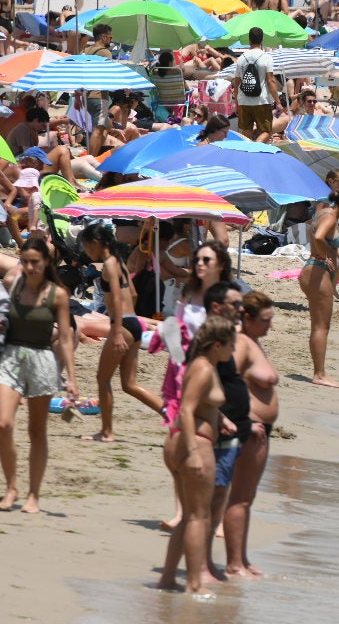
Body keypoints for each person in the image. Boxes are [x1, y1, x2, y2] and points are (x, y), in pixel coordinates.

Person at [0, 237, 79, 513]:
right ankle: (11, 488)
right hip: (11, 358)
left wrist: (72, 379)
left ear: (46, 263)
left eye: (35, 262)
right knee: (3, 424)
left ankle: (33, 495)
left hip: (42, 359)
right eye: (25, 261)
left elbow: (66, 338)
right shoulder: (13, 284)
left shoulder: (58, 294)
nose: (29, 267)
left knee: (36, 430)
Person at [158, 316, 235, 596]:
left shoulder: (202, 366)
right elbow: (187, 410)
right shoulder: (204, 369)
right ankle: (194, 583)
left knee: (190, 516)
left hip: (184, 441)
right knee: (199, 518)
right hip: (193, 444)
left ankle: (167, 579)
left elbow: (199, 404)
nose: (232, 351)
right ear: (217, 345)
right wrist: (192, 453)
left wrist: (221, 418)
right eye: (230, 345)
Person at [80, 221, 162, 442]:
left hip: (122, 327)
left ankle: (107, 432)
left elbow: (116, 297)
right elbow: (132, 295)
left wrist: (116, 332)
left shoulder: (108, 265)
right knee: (129, 384)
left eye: (87, 247)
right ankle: (172, 415)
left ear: (96, 243)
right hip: (134, 323)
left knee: (102, 379)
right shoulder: (120, 262)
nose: (87, 252)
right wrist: (127, 318)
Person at [223, 291, 278, 577]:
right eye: (266, 320)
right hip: (250, 427)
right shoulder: (240, 343)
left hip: (259, 428)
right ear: (248, 318)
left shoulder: (252, 341)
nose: (271, 325)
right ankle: (234, 563)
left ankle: (242, 559)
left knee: (247, 497)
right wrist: (243, 421)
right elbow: (223, 382)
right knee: (240, 498)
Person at [300, 189, 339, 388]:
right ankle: (319, 374)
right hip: (318, 269)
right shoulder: (330, 217)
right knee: (321, 326)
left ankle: (320, 372)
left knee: (319, 325)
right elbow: (318, 237)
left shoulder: (323, 212)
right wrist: (327, 256)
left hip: (315, 270)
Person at [233, 26, 279, 139]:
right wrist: (277, 101)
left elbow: (236, 83)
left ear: (249, 39)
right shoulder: (266, 57)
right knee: (266, 131)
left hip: (244, 100)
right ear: (262, 39)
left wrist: (237, 102)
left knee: (246, 131)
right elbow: (270, 81)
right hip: (261, 100)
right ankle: (256, 148)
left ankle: (246, 153)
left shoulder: (241, 58)